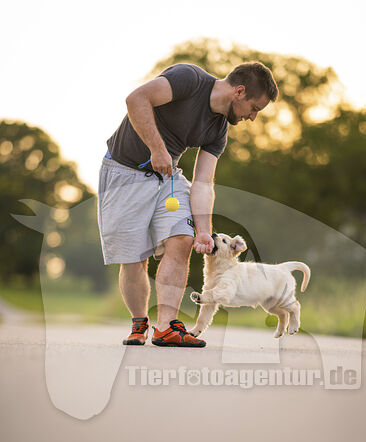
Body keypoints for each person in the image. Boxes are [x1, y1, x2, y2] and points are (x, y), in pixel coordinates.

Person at [97, 61, 278, 347]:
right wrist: (157, 149)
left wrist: (204, 231)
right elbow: (136, 99)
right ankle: (139, 321)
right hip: (124, 172)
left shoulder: (219, 130)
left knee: (182, 239)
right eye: (255, 108)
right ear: (239, 92)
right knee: (134, 260)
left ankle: (166, 327)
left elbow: (204, 182)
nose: (253, 117)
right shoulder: (189, 78)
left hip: (168, 179)